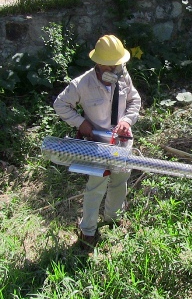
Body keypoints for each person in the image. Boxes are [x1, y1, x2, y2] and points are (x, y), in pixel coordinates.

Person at [53, 34, 141, 250]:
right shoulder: (82, 84)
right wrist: (81, 123)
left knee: (120, 182)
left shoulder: (123, 75)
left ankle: (113, 219)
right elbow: (60, 104)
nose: (116, 70)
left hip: (121, 143)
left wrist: (126, 121)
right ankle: (88, 232)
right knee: (95, 187)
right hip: (97, 145)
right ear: (98, 64)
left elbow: (134, 100)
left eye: (119, 65)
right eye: (111, 66)